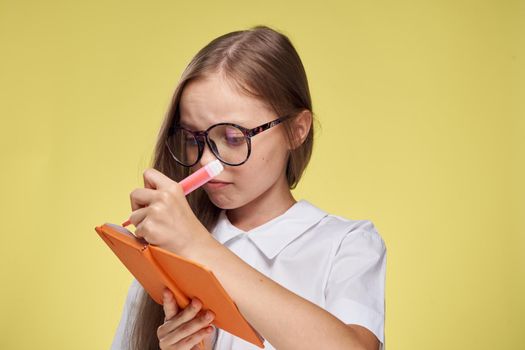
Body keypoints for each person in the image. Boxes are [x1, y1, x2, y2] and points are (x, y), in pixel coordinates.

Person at [110, 25, 386, 350]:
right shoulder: (162, 255)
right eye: (193, 139)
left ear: (297, 130)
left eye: (232, 138)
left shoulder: (347, 245)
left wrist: (197, 246)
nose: (206, 163)